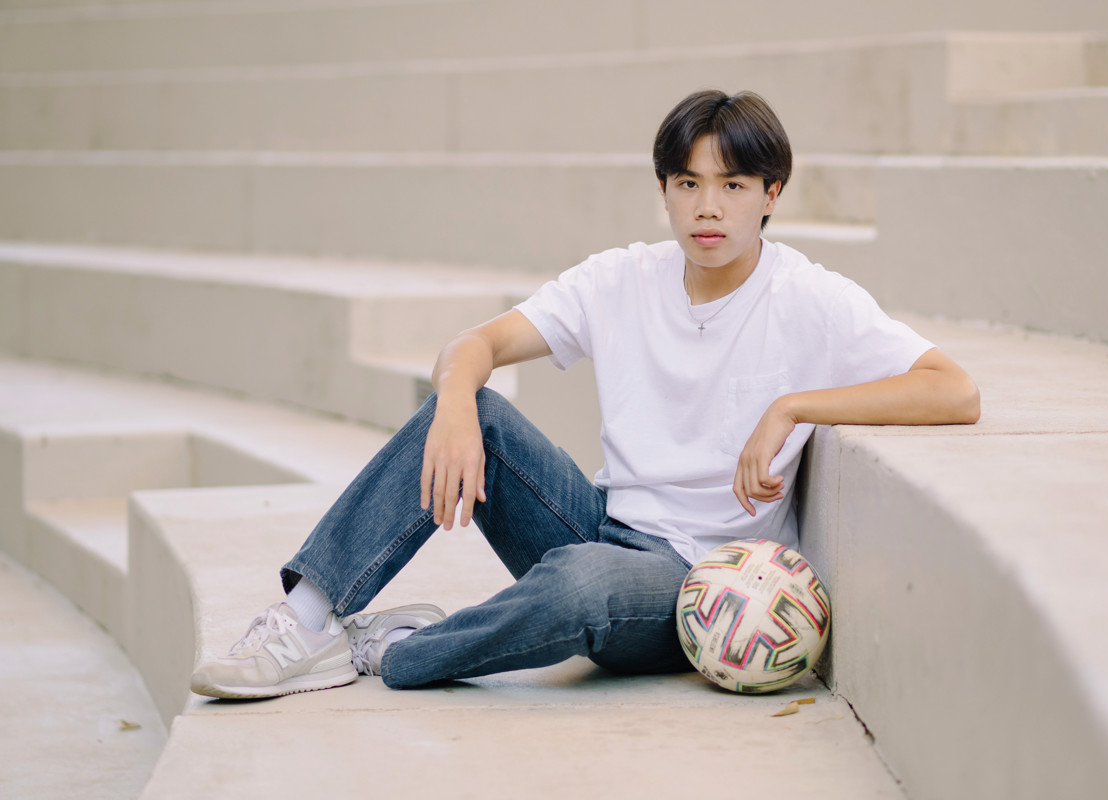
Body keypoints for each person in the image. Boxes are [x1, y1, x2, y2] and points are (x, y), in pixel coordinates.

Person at [190, 89, 980, 699]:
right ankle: (306, 622)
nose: (709, 207)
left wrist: (794, 407)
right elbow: (475, 347)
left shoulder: (810, 298)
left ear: (772, 193)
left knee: (578, 585)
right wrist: (460, 404)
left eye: (734, 185)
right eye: (688, 182)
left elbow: (953, 389)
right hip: (602, 522)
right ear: (664, 190)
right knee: (475, 413)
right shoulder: (621, 278)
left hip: (695, 582)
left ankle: (394, 654)